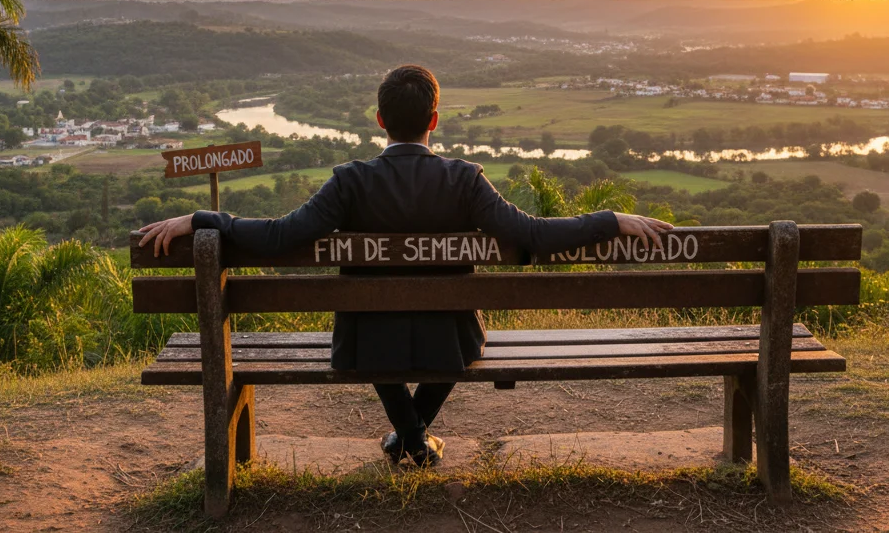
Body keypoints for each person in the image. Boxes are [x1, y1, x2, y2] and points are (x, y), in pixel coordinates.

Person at [138, 65, 672, 466]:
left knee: (376, 322)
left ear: (379, 121)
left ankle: (410, 438)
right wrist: (610, 219)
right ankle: (415, 440)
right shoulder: (464, 179)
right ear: (434, 121)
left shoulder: (350, 181)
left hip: (365, 342)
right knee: (459, 334)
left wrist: (204, 218)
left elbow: (279, 238)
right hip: (451, 341)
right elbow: (532, 234)